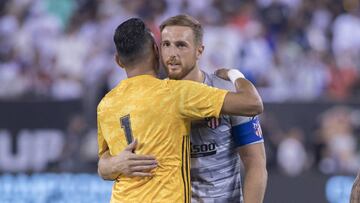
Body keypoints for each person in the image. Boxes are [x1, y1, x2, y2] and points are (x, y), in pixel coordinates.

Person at [98, 15, 267, 203]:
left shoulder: (226, 91)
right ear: (156, 50)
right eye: (166, 44)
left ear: (199, 50)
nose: (172, 54)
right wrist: (114, 163)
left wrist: (233, 75)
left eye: (181, 45)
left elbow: (256, 163)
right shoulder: (153, 97)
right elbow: (107, 161)